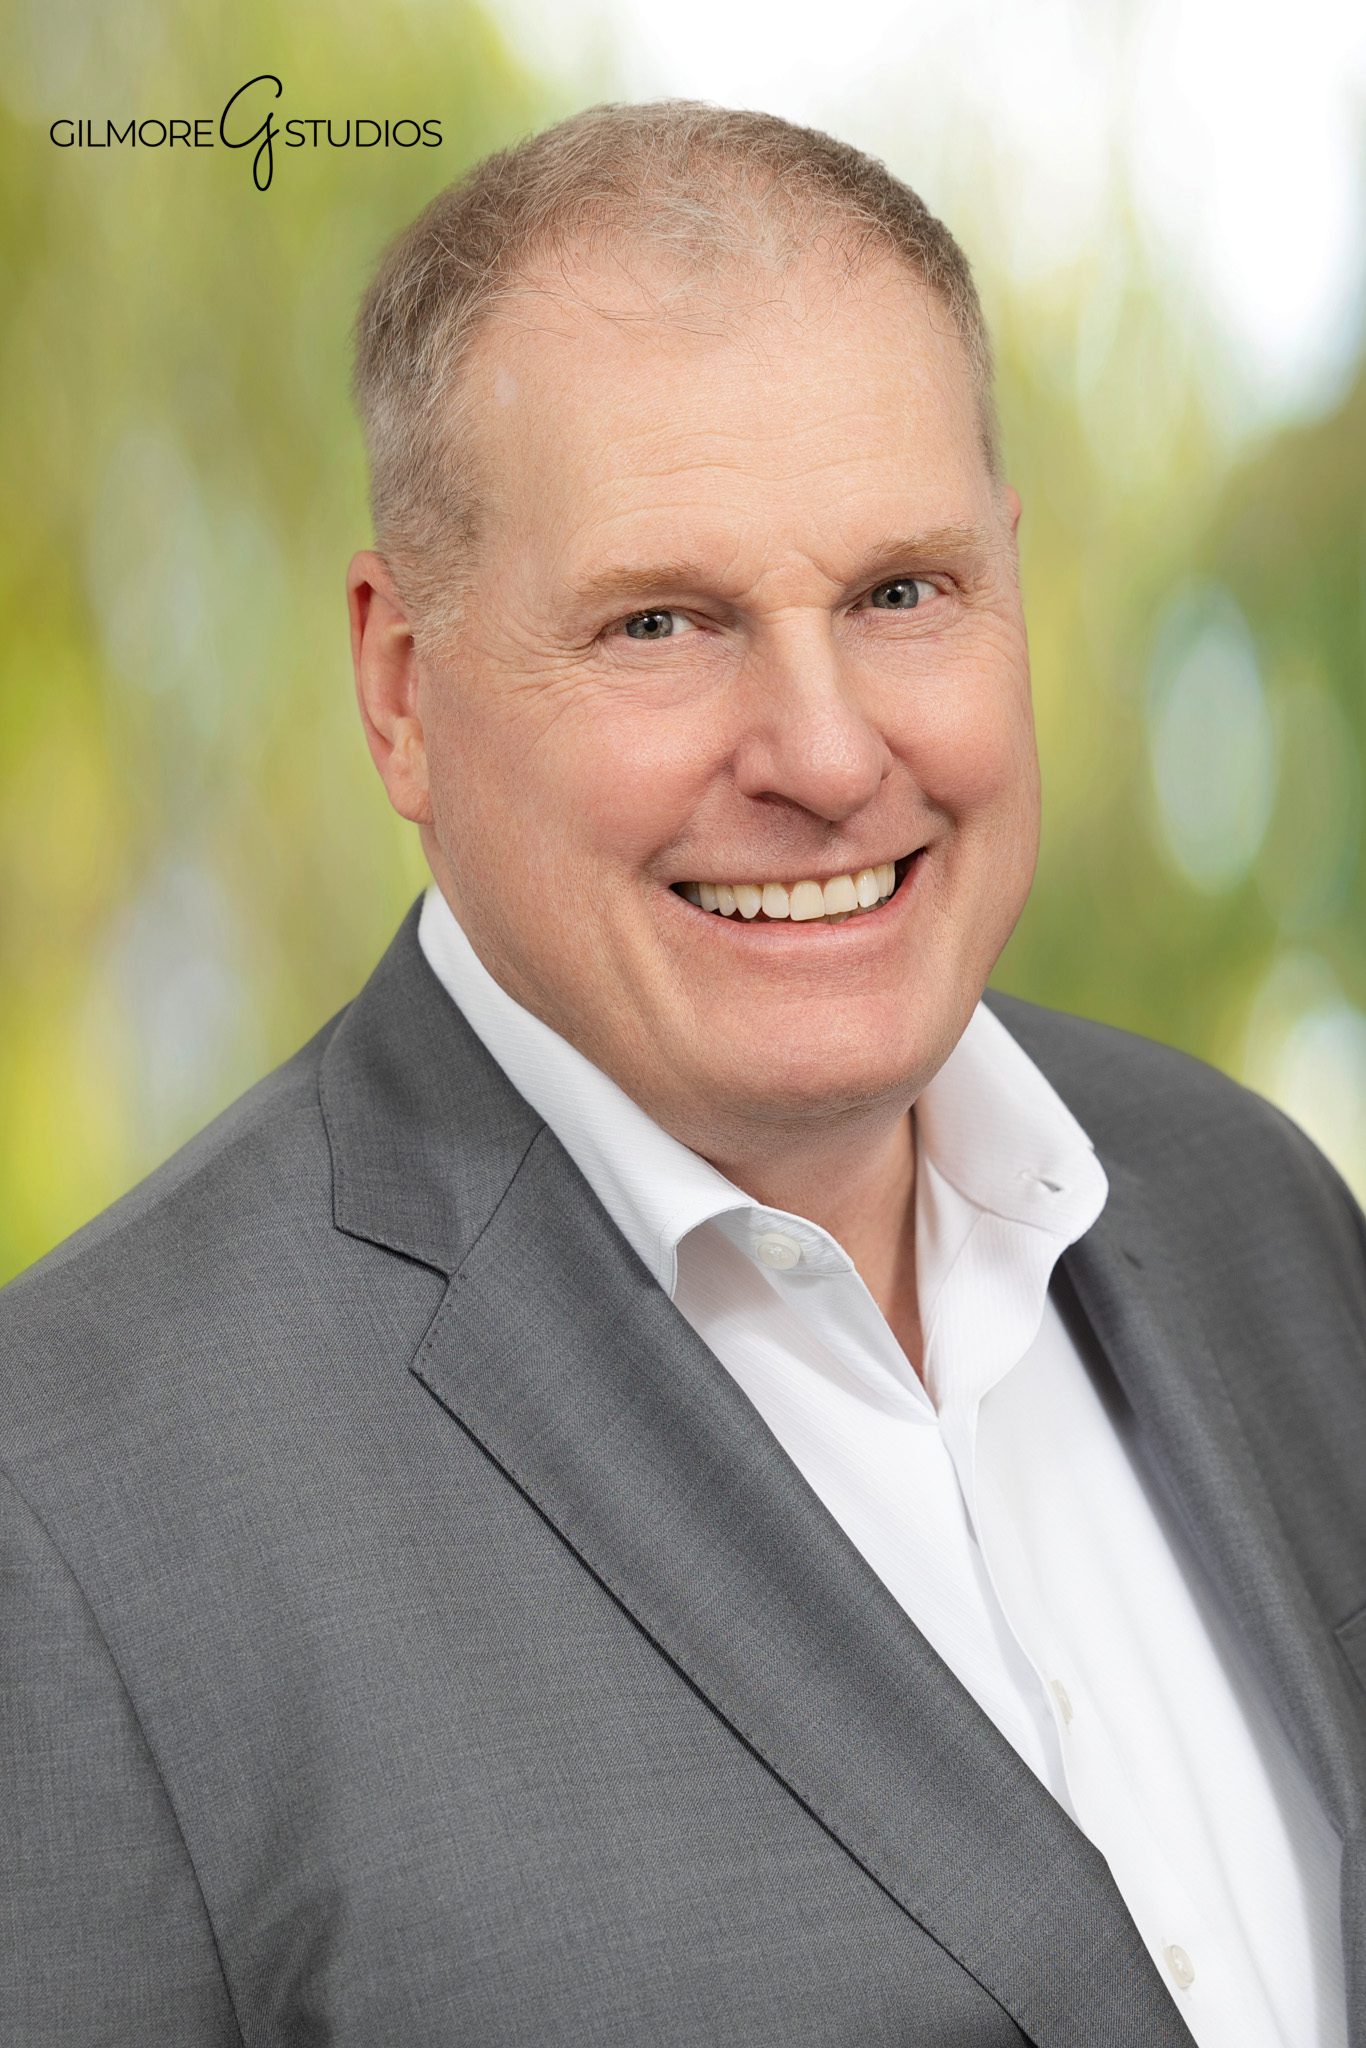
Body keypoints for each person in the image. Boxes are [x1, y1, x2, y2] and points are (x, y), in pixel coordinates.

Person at [2, 99, 1363, 2048]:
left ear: (1007, 580)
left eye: (899, 592)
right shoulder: (64, 1512)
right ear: (400, 685)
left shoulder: (1255, 1216)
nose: (820, 750)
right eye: (662, 621)